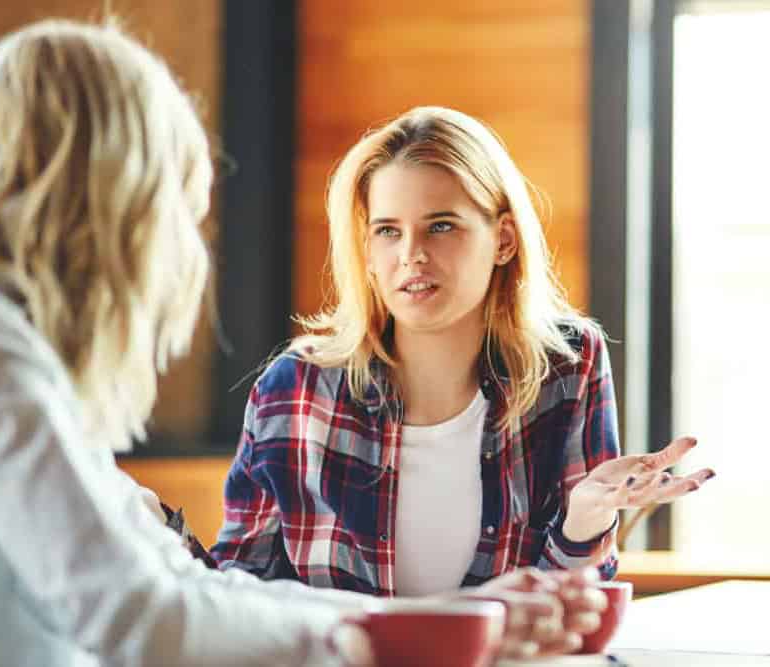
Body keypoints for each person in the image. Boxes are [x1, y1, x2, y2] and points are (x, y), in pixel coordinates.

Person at [0, 20, 608, 666]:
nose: (184, 244)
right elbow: (146, 615)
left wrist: (443, 618)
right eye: (171, 205)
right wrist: (375, 636)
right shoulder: (1, 367)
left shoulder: (25, 366)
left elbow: (192, 587)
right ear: (108, 204)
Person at [212, 106, 715, 655]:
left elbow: (570, 611)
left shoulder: (568, 365)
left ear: (502, 239)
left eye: (441, 226)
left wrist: (585, 520)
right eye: (387, 231)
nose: (412, 256)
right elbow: (241, 591)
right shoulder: (298, 387)